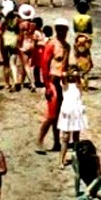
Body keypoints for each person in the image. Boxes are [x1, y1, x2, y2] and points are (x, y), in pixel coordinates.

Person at [36, 18, 70, 153]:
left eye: (64, 29)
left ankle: (56, 142)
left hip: (61, 82)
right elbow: (44, 65)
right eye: (59, 28)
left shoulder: (67, 46)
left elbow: (65, 65)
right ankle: (39, 140)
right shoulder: (51, 45)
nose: (62, 31)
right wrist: (47, 86)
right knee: (51, 115)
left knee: (58, 114)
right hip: (52, 82)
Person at [57, 66, 88, 168]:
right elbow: (63, 80)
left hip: (76, 111)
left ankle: (76, 157)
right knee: (65, 137)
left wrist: (78, 76)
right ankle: (61, 159)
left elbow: (82, 84)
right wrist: (65, 75)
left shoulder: (79, 83)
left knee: (76, 136)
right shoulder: (65, 84)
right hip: (67, 110)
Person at [72, 1, 94, 91]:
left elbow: (74, 28)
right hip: (86, 35)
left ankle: (79, 81)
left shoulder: (75, 18)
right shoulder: (88, 18)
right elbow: (90, 29)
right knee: (86, 55)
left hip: (77, 35)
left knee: (77, 55)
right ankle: (85, 84)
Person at [17, 4, 38, 90]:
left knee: (25, 64)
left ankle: (32, 83)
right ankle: (21, 81)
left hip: (25, 44)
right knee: (27, 64)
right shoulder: (33, 24)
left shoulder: (22, 25)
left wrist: (18, 45)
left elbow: (21, 36)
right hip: (32, 43)